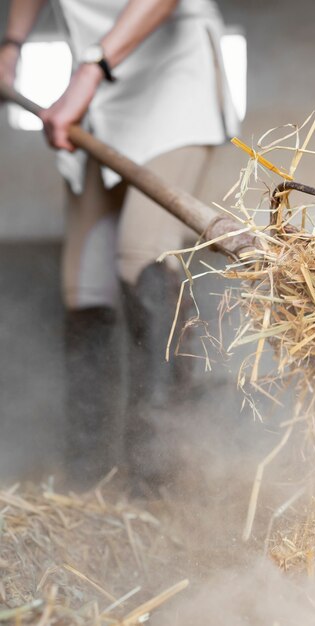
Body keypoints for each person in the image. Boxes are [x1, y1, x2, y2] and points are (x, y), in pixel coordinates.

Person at [0, 0, 239, 489]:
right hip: (94, 89)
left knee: (141, 256)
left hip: (168, 72)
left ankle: (157, 478)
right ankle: (90, 479)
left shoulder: (110, 68)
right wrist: (12, 46)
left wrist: (93, 69)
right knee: (85, 286)